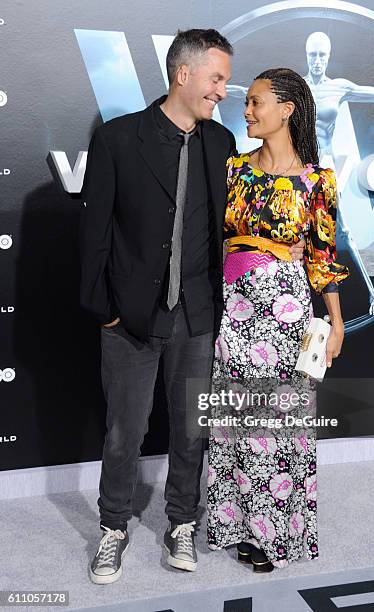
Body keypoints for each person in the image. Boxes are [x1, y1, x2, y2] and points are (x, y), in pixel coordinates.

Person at [79, 28, 240, 584]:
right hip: (130, 319)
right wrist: (106, 311)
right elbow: (94, 235)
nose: (223, 89)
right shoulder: (120, 140)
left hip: (198, 314)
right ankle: (114, 527)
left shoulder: (220, 144)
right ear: (183, 74)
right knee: (125, 430)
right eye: (216, 77)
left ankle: (180, 522)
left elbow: (225, 230)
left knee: (193, 429)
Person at [207, 68, 349, 571]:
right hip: (235, 309)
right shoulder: (234, 171)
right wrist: (255, 246)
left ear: (287, 109)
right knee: (236, 422)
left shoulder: (317, 183)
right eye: (245, 103)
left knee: (277, 426)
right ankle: (241, 525)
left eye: (256, 102)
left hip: (285, 313)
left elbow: (323, 260)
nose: (247, 111)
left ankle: (274, 534)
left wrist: (334, 326)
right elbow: (213, 237)